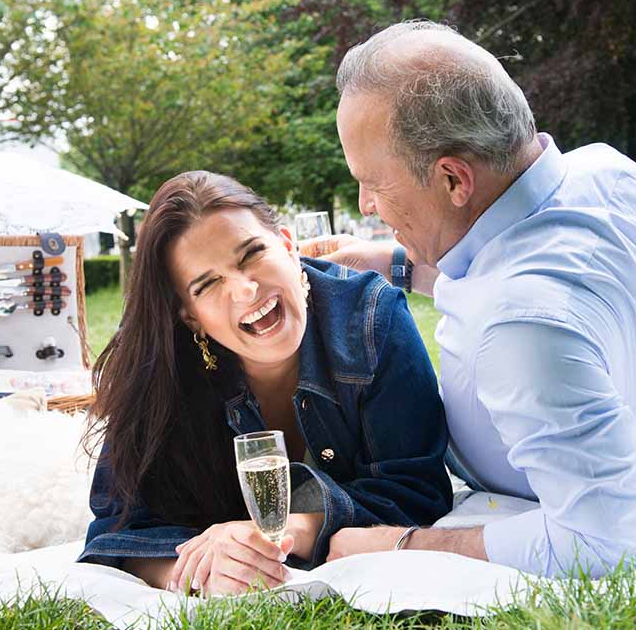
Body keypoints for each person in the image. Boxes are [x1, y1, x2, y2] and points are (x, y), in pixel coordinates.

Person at [313, 21, 636, 577]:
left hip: (560, 496)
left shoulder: (522, 333)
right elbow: (543, 272)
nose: (365, 205)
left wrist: (400, 544)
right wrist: (395, 263)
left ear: (455, 179)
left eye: (373, 183)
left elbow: (603, 543)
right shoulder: (611, 173)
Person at [77, 171, 452, 596]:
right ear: (191, 316)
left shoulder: (371, 319)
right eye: (207, 284)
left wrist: (285, 532)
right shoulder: (162, 370)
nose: (244, 290)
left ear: (289, 247)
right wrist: (199, 567)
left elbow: (418, 490)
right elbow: (116, 529)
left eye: (251, 254)